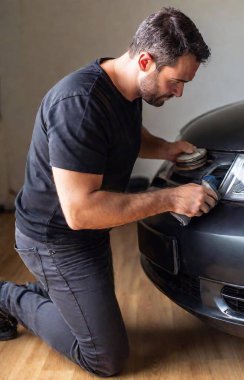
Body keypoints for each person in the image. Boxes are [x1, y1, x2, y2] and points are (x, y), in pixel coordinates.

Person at [0, 7, 216, 377]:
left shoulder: (125, 90)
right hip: (54, 239)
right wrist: (171, 198)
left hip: (87, 235)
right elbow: (80, 212)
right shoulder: (80, 105)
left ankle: (52, 295)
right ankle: (7, 296)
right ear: (146, 60)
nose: (179, 92)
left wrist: (165, 148)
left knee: (85, 318)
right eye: (176, 82)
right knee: (105, 356)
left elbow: (124, 138)